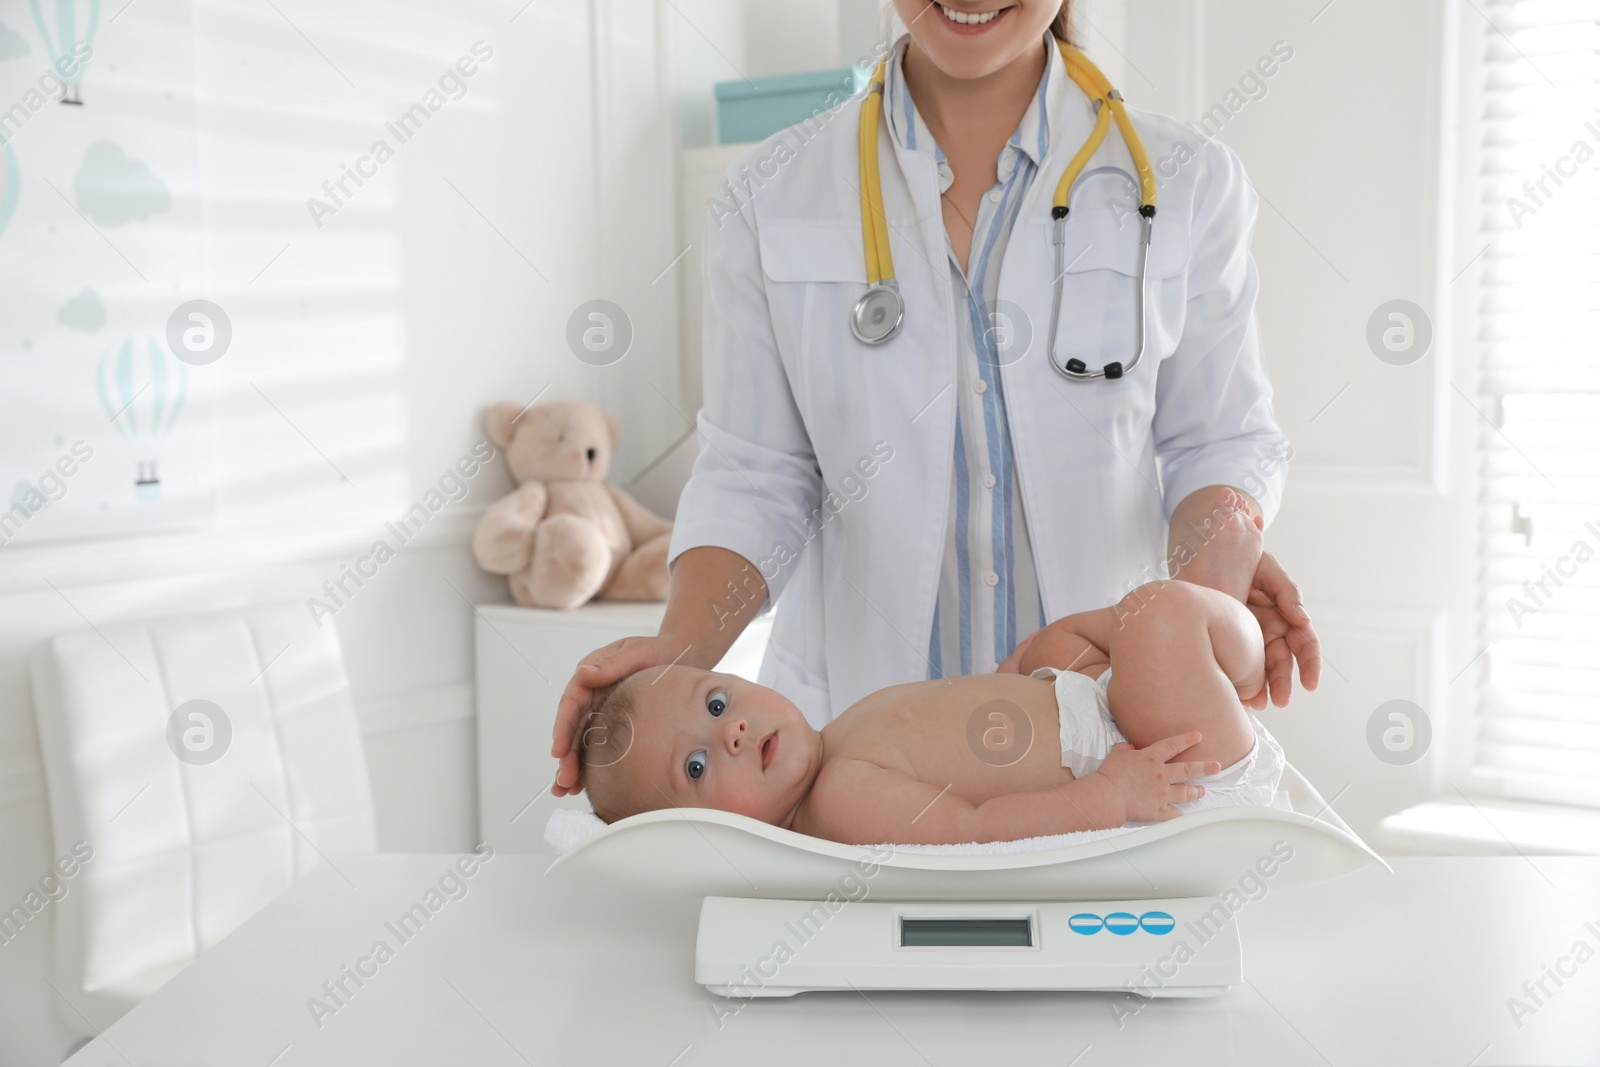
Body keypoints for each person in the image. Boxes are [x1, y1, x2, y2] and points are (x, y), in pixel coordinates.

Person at [549, 0, 1320, 801]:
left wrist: (1204, 597)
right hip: (846, 764)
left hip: (1113, 750)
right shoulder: (767, 197)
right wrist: (677, 653)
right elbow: (755, 476)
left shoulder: (1189, 182)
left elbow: (1218, 443)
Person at [574, 490, 1285, 846]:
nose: (727, 734)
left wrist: (1027, 678)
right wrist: (1112, 798)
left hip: (1093, 713)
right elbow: (977, 830)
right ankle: (1231, 639)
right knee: (1156, 615)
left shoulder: (834, 743)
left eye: (718, 702)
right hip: (1156, 764)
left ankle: (1204, 648)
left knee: (1067, 640)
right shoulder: (841, 799)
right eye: (696, 768)